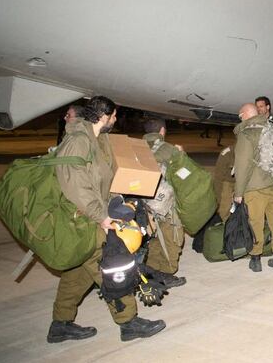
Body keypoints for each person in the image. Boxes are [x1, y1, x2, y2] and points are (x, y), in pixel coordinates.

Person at [49, 96, 165, 343]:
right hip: (85, 220)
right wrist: (101, 216)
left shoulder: (96, 140)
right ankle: (129, 322)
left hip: (92, 217)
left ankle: (60, 324)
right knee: (113, 271)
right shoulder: (78, 141)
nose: (115, 120)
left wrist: (119, 203)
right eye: (113, 116)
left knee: (78, 273)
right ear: (104, 115)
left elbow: (102, 179)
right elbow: (75, 185)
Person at [234, 103, 273, 272]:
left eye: (240, 116)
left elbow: (242, 166)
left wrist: (238, 192)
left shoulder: (247, 133)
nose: (240, 119)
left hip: (255, 187)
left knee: (255, 222)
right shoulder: (271, 128)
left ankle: (255, 258)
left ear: (246, 114)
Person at [141, 118, 187, 288]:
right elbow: (184, 174)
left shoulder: (136, 148)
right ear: (162, 131)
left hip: (142, 205)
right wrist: (181, 154)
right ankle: (167, 274)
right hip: (165, 205)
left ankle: (152, 272)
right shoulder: (168, 149)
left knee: (153, 239)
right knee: (172, 238)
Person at [212, 143, 236, 222]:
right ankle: (226, 224)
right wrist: (219, 199)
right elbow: (218, 178)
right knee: (224, 206)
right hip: (228, 182)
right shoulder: (227, 154)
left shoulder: (249, 151)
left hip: (243, 181)